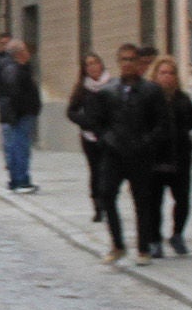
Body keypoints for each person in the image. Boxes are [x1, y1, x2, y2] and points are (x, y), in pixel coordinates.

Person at [98, 45, 169, 262]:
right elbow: (99, 122)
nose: (127, 63)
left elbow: (161, 123)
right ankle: (117, 244)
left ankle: (143, 248)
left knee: (142, 200)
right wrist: (108, 139)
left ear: (139, 63)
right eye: (123, 60)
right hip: (114, 153)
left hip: (140, 154)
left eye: (131, 59)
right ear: (118, 62)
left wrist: (146, 142)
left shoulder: (151, 91)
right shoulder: (109, 90)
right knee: (106, 193)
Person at [149, 54, 192, 257]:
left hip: (180, 157)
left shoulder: (183, 99)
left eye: (171, 73)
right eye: (163, 73)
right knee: (153, 202)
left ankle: (178, 234)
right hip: (155, 159)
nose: (167, 77)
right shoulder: (149, 98)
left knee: (183, 199)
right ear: (155, 75)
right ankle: (154, 240)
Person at [66, 52, 118, 229]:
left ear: (101, 65)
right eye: (89, 64)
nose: (93, 67)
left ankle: (108, 200)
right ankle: (98, 206)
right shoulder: (82, 88)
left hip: (109, 135)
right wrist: (85, 122)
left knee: (108, 171)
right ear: (85, 69)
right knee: (95, 171)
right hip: (89, 136)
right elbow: (71, 111)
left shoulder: (112, 85)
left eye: (95, 63)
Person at [0, 36, 42, 193]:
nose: (28, 52)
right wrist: (17, 110)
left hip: (16, 112)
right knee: (19, 147)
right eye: (25, 49)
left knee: (15, 146)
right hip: (20, 114)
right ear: (19, 53)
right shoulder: (14, 69)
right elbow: (14, 93)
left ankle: (17, 180)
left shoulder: (17, 67)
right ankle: (21, 181)